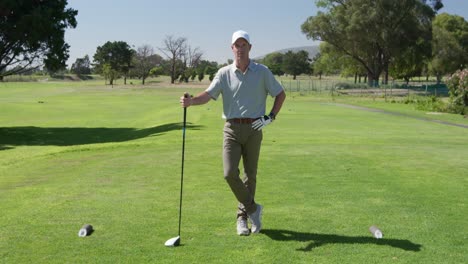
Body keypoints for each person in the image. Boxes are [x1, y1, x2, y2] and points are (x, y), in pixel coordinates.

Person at [180, 30, 286, 236]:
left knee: (250, 176)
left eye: (244, 44)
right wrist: (191, 101)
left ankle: (242, 219)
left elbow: (280, 94)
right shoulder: (224, 73)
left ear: (250, 47)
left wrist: (270, 116)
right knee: (229, 173)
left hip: (255, 128)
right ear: (232, 48)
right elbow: (208, 95)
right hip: (231, 128)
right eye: (237, 45)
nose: (240, 48)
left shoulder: (262, 71)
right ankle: (254, 209)